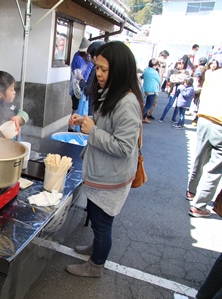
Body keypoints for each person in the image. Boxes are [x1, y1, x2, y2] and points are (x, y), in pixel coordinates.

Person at [66, 41, 143, 277]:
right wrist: (86, 121)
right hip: (102, 173)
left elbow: (124, 147)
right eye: (97, 67)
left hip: (112, 178)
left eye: (103, 69)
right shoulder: (112, 94)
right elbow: (109, 126)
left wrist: (93, 131)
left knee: (102, 224)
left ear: (119, 70)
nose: (97, 73)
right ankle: (95, 249)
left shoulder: (127, 103)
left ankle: (96, 265)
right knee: (97, 219)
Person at [186, 63, 222, 217]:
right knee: (215, 168)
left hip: (205, 118)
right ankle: (199, 206)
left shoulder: (213, 74)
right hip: (219, 123)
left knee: (200, 157)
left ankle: (191, 191)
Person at [68, 37, 92, 131]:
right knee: (77, 108)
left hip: (75, 89)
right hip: (77, 89)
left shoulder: (77, 56)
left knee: (76, 108)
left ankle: (72, 127)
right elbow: (83, 76)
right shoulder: (79, 59)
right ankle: (73, 127)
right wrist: (91, 64)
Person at [84, 40, 105, 117]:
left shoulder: (95, 69)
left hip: (95, 108)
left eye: (90, 56)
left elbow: (88, 89)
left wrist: (82, 83)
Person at [147, 50, 170, 119]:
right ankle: (146, 114)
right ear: (160, 55)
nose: (164, 58)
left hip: (159, 83)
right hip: (153, 84)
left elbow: (162, 74)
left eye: (166, 57)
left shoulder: (164, 64)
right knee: (151, 101)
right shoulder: (154, 62)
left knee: (155, 101)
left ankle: (149, 113)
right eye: (164, 57)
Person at [141, 58, 161, 124]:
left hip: (146, 89)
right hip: (153, 89)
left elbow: (142, 77)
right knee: (149, 105)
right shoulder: (155, 72)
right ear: (154, 65)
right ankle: (140, 116)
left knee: (147, 104)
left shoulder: (146, 71)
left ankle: (144, 117)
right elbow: (159, 80)